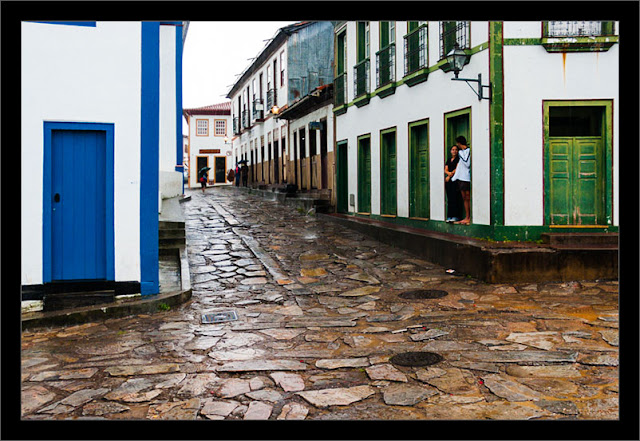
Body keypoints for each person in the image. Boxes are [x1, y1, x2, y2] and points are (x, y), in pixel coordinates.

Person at [451, 135, 471, 225]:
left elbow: (467, 163)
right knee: (465, 198)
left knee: (467, 197)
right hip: (462, 177)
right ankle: (467, 217)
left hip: (466, 177)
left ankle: (469, 217)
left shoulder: (465, 152)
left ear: (459, 143)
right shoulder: (462, 152)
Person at [444, 145, 464, 223]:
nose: (454, 151)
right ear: (450, 151)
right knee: (450, 198)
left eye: (456, 150)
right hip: (449, 182)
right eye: (453, 149)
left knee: (456, 198)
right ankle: (450, 216)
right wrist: (448, 174)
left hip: (455, 180)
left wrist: (449, 176)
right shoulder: (449, 160)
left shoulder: (459, 159)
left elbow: (457, 169)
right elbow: (445, 169)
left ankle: (456, 216)